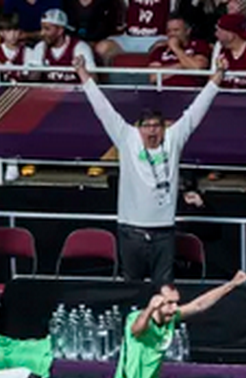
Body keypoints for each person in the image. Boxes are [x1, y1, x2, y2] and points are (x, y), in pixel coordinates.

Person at [77, 52, 224, 285]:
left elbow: (197, 110)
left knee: (164, 289)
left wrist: (219, 75)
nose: (152, 130)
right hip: (131, 230)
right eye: (147, 126)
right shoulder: (127, 137)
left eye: (157, 126)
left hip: (164, 231)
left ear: (164, 128)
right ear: (139, 128)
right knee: (131, 288)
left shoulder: (173, 138)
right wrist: (82, 73)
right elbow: (102, 108)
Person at [102, 272, 246, 378]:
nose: (174, 308)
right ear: (156, 302)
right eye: (169, 303)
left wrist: (231, 284)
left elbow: (199, 305)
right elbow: (137, 329)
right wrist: (150, 309)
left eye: (176, 302)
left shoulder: (170, 319)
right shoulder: (137, 318)